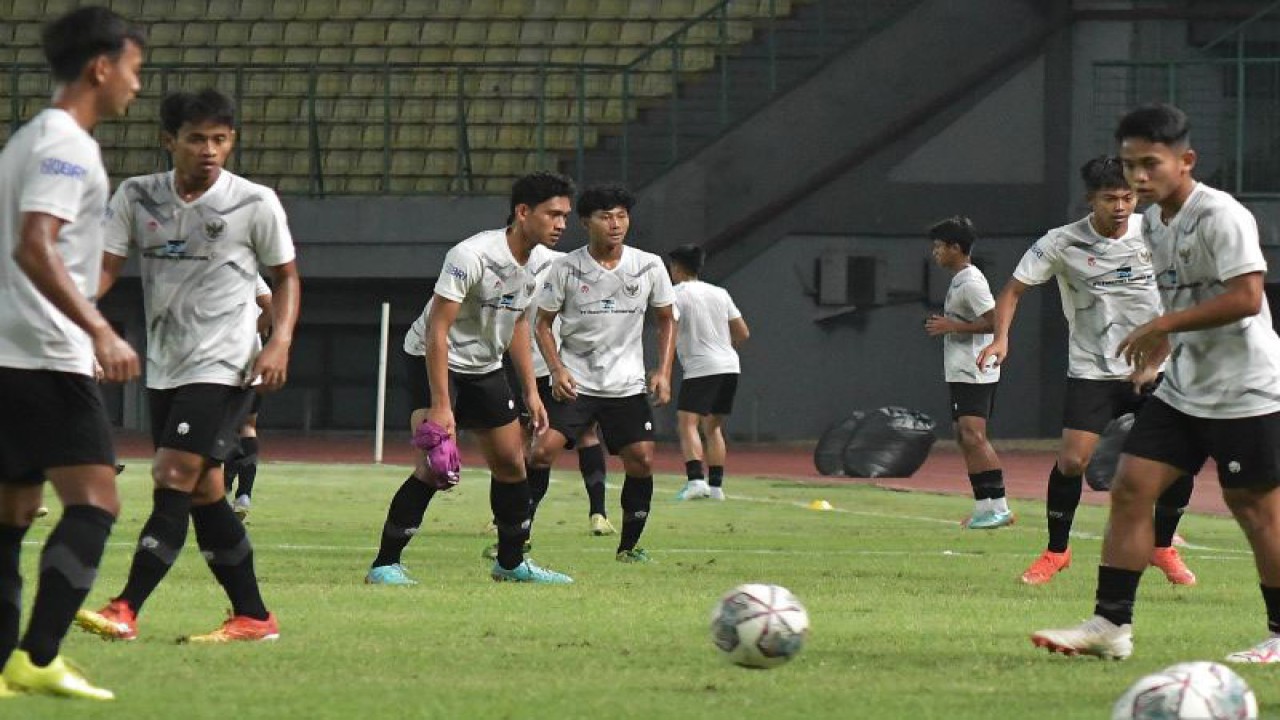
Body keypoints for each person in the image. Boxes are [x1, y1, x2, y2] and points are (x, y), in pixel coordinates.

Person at [1031, 103, 1280, 662]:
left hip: (1245, 388)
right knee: (1131, 487)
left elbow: (1247, 298)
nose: (1138, 178)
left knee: (1255, 510)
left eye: (1150, 164)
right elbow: (1180, 304)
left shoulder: (1220, 216)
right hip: (1184, 387)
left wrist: (1162, 326)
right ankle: (1110, 624)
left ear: (1185, 160)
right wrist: (1157, 355)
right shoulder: (1155, 226)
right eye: (1130, 166)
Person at [74, 88, 300, 643]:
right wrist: (82, 324)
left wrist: (279, 342)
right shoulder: (137, 196)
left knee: (172, 473)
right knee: (203, 491)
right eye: (197, 139)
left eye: (220, 139)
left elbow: (286, 277)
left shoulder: (254, 202)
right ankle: (253, 616)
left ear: (232, 141)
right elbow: (104, 270)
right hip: (167, 363)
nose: (209, 150)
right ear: (168, 140)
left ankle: (126, 607)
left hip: (227, 362)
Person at [0, 6, 144, 700]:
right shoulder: (68, 145)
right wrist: (99, 331)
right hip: (46, 354)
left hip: (7, 351)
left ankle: (5, 668)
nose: (136, 86)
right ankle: (39, 656)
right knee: (95, 502)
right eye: (134, 70)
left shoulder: (27, 138)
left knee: (12, 513)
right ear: (101, 66)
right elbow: (36, 244)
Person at [978, 156, 1196, 586]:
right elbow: (1012, 291)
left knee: (1180, 461)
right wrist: (1001, 338)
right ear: (1090, 199)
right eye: (1110, 198)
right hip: (1092, 370)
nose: (1121, 207)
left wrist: (1154, 363)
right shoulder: (1061, 242)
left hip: (1158, 367)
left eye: (1128, 197)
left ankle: (1162, 546)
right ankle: (1057, 552)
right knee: (1073, 460)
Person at [364, 171, 575, 586]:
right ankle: (384, 565)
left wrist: (531, 391)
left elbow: (518, 323)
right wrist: (442, 406)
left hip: (485, 366)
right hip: (433, 356)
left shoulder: (541, 264)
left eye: (565, 216)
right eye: (553, 214)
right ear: (523, 212)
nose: (562, 224)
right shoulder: (470, 255)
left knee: (512, 464)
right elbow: (437, 329)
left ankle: (510, 564)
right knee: (435, 466)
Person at [527, 183, 677, 564]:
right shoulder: (565, 267)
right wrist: (556, 369)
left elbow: (666, 319)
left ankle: (629, 548)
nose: (615, 224)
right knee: (541, 452)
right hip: (576, 382)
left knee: (641, 459)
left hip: (626, 385)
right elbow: (542, 324)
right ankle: (515, 536)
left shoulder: (648, 265)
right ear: (585, 222)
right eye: (605, 216)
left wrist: (663, 371)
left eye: (622, 216)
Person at [923, 217, 1010, 529]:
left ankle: (1000, 507)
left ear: (955, 248)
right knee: (964, 437)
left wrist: (953, 326)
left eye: (939, 247)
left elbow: (995, 321)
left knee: (974, 436)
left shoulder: (971, 282)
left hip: (975, 370)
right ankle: (984, 507)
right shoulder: (960, 279)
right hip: (961, 369)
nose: (935, 253)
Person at [667, 243, 749, 502]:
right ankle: (716, 488)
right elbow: (743, 332)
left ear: (677, 268)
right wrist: (721, 348)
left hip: (701, 368)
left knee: (687, 422)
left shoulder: (675, 295)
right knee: (713, 428)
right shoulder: (720, 293)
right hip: (729, 366)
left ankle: (695, 481)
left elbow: (668, 330)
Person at [223, 275, 273, 520]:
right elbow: (271, 305)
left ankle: (223, 485)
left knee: (219, 428)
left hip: (217, 362)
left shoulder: (205, 271)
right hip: (252, 363)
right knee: (248, 427)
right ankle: (244, 494)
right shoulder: (250, 273)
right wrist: (254, 331)